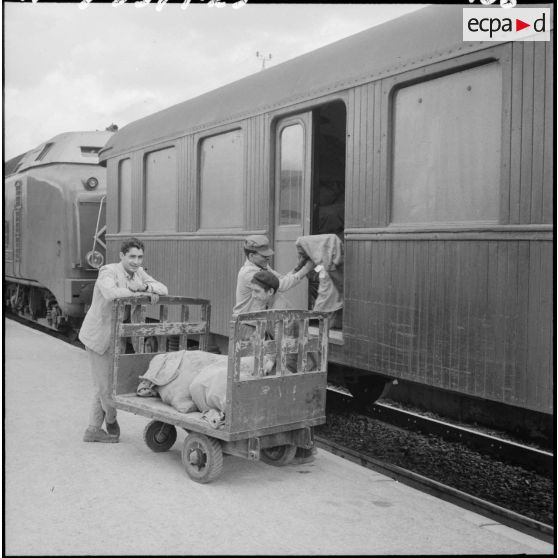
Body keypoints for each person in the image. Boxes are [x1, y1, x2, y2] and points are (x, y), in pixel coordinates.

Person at [78, 237, 168, 443]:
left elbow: (163, 288)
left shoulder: (138, 272)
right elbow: (111, 293)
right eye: (132, 257)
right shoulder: (108, 271)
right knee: (105, 386)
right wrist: (136, 290)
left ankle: (93, 429)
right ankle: (110, 421)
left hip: (117, 337)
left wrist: (146, 288)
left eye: (140, 257)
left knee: (106, 384)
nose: (136, 261)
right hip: (99, 337)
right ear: (122, 256)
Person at [233, 235, 314, 316]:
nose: (268, 258)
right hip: (245, 319)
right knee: (279, 300)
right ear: (251, 256)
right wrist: (306, 269)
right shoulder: (248, 273)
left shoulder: (262, 266)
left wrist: (298, 268)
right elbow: (280, 285)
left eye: (268, 255)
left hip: (256, 317)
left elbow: (281, 278)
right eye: (264, 256)